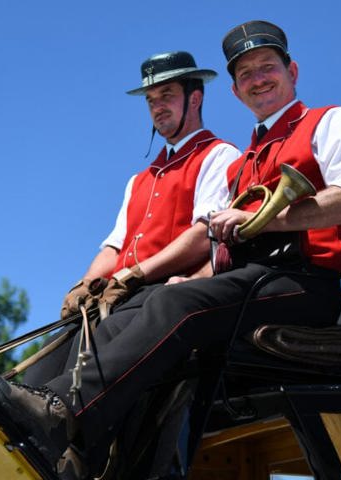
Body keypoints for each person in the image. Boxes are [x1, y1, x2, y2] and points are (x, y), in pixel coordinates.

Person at [0, 21, 341, 480]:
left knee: (169, 299)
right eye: (245, 74)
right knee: (132, 310)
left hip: (306, 283)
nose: (257, 79)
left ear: (292, 70)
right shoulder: (243, 162)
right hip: (252, 278)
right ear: (237, 91)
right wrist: (195, 278)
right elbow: (223, 252)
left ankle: (64, 413)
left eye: (267, 67)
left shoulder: (328, 121)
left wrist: (262, 221)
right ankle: (41, 439)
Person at [20, 51, 241, 389]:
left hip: (164, 293)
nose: (157, 107)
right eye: (151, 100)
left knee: (91, 357)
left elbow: (202, 235)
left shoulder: (219, 155)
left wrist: (138, 273)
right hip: (122, 294)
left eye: (167, 95)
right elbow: (114, 245)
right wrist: (86, 284)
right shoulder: (138, 180)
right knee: (45, 361)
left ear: (195, 98)